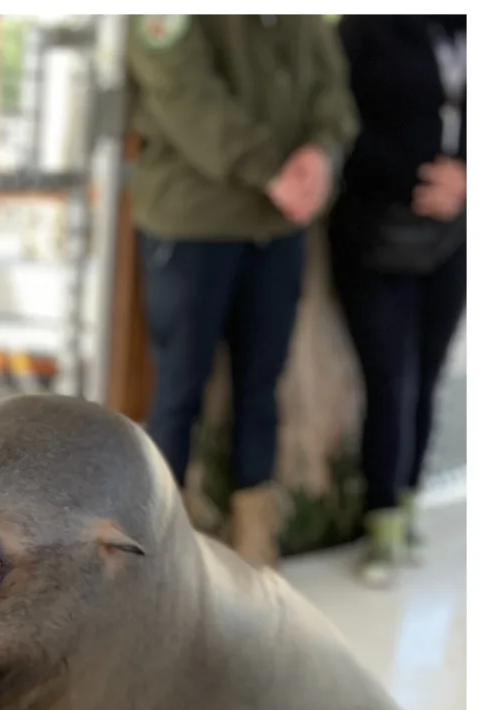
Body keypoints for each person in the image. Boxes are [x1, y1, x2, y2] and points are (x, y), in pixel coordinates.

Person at [126, 16, 358, 567]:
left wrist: (322, 155)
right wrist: (270, 170)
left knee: (262, 386)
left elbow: (334, 97)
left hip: (277, 229)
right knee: (179, 389)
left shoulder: (306, 21)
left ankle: (256, 544)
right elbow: (185, 94)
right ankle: (155, 552)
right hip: (192, 225)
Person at [329, 16, 465, 587]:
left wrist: (465, 181)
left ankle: (408, 503)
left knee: (430, 373)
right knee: (390, 378)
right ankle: (381, 520)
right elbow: (342, 127)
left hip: (452, 236)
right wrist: (423, 179)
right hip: (376, 230)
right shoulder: (362, 29)